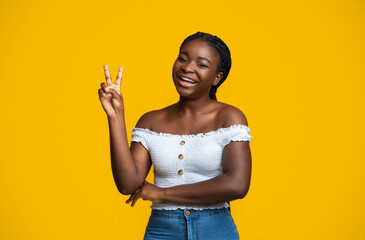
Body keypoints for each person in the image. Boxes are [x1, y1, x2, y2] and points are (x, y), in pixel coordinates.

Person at [98, 31, 252, 240]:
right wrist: (116, 117)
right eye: (183, 58)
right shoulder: (150, 121)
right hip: (161, 230)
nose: (188, 68)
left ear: (217, 78)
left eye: (202, 64)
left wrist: (162, 194)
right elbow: (128, 184)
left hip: (215, 229)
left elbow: (237, 185)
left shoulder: (229, 117)